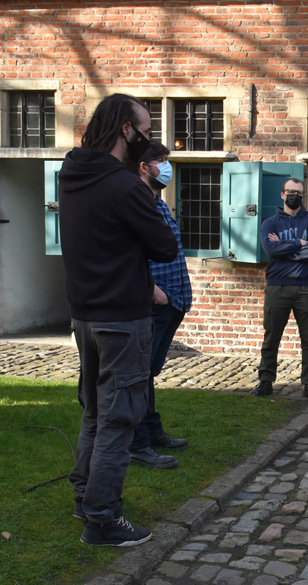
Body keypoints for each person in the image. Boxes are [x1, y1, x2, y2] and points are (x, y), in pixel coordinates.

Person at [59, 94, 178, 546]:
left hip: (84, 316)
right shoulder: (125, 187)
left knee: (94, 411)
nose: (149, 145)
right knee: (119, 419)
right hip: (122, 319)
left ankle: (84, 497)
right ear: (126, 130)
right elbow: (165, 246)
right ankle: (102, 519)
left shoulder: (73, 175)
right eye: (145, 131)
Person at [128, 141, 191, 469]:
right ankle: (138, 443)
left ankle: (153, 432)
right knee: (140, 374)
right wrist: (154, 291)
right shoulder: (137, 204)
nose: (166, 166)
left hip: (172, 302)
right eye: (160, 160)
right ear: (143, 167)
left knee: (148, 373)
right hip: (155, 303)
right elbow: (130, 254)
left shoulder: (158, 202)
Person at [253, 178, 308, 402]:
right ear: (282, 195)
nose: (295, 196)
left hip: (306, 288)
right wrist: (298, 243)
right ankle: (266, 381)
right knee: (271, 336)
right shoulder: (270, 224)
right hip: (277, 287)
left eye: (299, 193)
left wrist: (286, 249)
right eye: (291, 192)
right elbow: (271, 250)